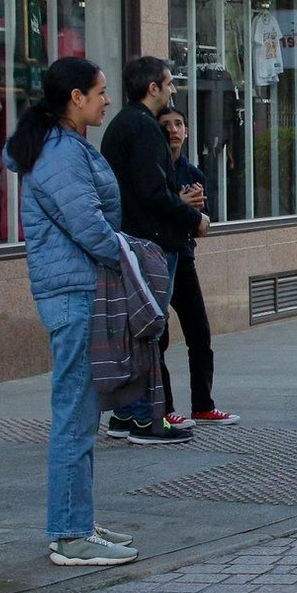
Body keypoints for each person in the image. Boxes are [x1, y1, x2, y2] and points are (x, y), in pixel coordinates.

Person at [4, 58, 139, 565]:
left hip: (78, 292)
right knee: (74, 418)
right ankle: (69, 533)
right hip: (76, 294)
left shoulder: (62, 146)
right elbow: (87, 222)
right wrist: (126, 256)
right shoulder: (60, 152)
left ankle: (76, 520)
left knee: (80, 417)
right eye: (101, 92)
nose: (107, 100)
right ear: (76, 98)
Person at [98, 57, 204, 444]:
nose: (173, 89)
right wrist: (193, 219)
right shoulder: (141, 127)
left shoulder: (128, 125)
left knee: (139, 330)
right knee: (148, 331)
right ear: (152, 88)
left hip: (139, 240)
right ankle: (144, 417)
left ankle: (128, 414)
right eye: (169, 83)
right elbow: (152, 192)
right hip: (150, 244)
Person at [154, 107, 236, 428]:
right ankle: (165, 409)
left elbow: (202, 224)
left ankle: (203, 404)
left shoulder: (194, 173)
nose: (173, 130)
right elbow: (150, 209)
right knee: (157, 337)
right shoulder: (154, 170)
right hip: (158, 258)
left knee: (199, 333)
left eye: (178, 124)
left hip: (184, 259)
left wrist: (197, 216)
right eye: (166, 125)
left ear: (187, 130)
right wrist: (179, 204)